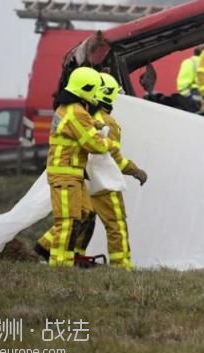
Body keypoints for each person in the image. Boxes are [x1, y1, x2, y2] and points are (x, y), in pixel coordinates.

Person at [44, 67, 116, 267]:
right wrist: (110, 142)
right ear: (87, 88)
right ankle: (60, 265)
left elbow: (81, 124)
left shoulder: (71, 108)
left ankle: (67, 257)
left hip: (72, 174)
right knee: (67, 221)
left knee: (85, 213)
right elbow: (94, 145)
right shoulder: (76, 112)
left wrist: (96, 125)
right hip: (65, 175)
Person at [84, 72, 148, 269]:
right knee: (116, 224)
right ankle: (121, 266)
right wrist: (135, 170)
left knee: (81, 219)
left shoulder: (86, 117)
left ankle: (48, 246)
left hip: (85, 180)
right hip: (105, 182)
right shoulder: (108, 123)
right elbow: (113, 157)